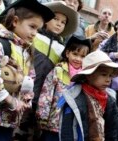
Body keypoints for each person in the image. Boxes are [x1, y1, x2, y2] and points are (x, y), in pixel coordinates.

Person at [0, 0, 54, 140]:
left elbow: (30, 79)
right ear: (15, 21)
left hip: (6, 122)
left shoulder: (26, 52)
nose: (35, 33)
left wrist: (26, 101)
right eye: (32, 27)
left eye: (38, 30)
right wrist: (9, 99)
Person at [13, 1, 78, 140]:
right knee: (17, 129)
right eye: (55, 19)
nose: (59, 23)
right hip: (25, 91)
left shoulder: (62, 49)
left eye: (63, 22)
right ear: (46, 20)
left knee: (34, 133)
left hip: (44, 100)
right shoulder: (34, 36)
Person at [58, 50, 118, 141]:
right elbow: (68, 132)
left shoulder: (109, 99)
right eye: (104, 74)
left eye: (110, 75)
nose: (108, 80)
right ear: (89, 75)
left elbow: (114, 130)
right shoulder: (75, 100)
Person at [36, 35, 91, 141]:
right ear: (67, 53)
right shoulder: (58, 71)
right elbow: (46, 93)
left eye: (83, 56)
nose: (78, 59)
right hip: (54, 123)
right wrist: (42, 117)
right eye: (75, 54)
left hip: (72, 125)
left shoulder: (86, 77)